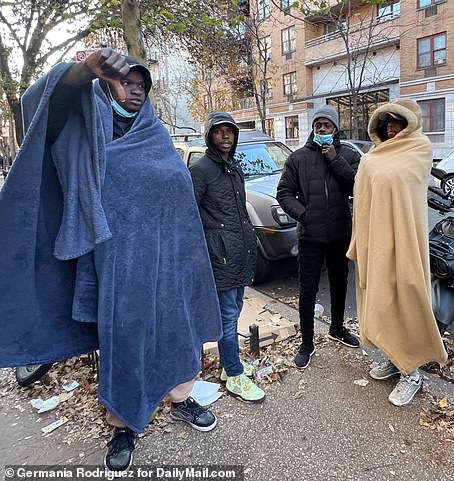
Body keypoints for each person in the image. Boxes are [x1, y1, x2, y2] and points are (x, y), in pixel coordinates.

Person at [0, 48, 223, 471]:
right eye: (126, 82)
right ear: (106, 87)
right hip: (116, 266)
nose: (135, 90)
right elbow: (37, 106)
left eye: (142, 85)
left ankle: (179, 399)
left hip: (169, 262)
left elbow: (178, 206)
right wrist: (82, 72)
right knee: (124, 338)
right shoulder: (83, 133)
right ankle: (122, 424)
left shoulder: (156, 135)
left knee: (176, 332)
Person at [347, 99, 447, 406]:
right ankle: (395, 359)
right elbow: (363, 198)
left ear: (410, 124)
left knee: (405, 300)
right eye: (387, 121)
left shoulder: (419, 149)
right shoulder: (373, 156)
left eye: (398, 122)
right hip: (376, 241)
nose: (391, 127)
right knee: (381, 302)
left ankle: (412, 372)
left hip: (403, 240)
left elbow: (406, 190)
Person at [277, 105, 361, 369]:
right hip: (310, 236)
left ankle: (337, 328)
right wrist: (304, 215)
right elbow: (284, 193)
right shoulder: (298, 158)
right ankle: (307, 342)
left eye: (327, 125)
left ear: (335, 128)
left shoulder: (347, 154)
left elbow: (358, 187)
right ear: (312, 129)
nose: (322, 129)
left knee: (339, 284)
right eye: (318, 125)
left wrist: (335, 159)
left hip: (339, 233)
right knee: (308, 290)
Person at [189, 112, 265, 403]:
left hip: (239, 253)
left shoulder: (234, 168)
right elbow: (190, 215)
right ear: (209, 136)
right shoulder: (201, 170)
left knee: (234, 309)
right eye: (219, 132)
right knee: (227, 317)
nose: (225, 137)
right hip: (219, 255)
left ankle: (227, 364)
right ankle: (233, 374)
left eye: (230, 132)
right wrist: (207, 247)